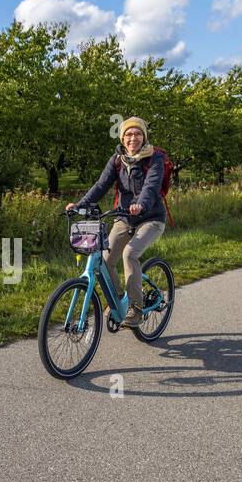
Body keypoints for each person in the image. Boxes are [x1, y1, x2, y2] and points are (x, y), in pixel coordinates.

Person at [65, 116, 165, 328]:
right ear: (122, 137)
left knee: (130, 254)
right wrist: (79, 206)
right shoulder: (117, 159)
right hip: (124, 218)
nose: (133, 138)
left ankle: (136, 308)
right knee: (105, 258)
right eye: (128, 134)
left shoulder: (154, 158)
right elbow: (101, 186)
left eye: (137, 133)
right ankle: (120, 298)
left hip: (151, 217)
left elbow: (151, 186)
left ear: (144, 136)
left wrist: (141, 204)